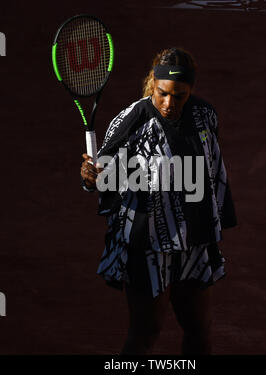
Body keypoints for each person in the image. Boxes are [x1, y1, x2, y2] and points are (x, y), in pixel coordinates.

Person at [80, 47, 237, 355]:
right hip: (147, 246)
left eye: (179, 96)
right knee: (144, 335)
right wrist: (90, 177)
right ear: (153, 83)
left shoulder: (205, 115)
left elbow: (211, 166)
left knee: (199, 329)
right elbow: (102, 180)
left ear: (191, 89)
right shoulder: (130, 122)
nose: (169, 104)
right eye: (163, 93)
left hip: (193, 241)